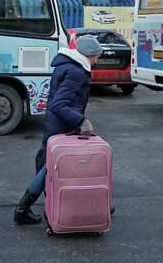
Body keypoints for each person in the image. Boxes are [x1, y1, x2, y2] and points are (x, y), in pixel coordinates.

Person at [13, 34, 103, 225]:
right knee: (50, 168)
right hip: (62, 127)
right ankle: (23, 208)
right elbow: (59, 104)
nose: (98, 59)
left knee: (53, 166)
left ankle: (95, 203)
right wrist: (81, 120)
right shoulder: (77, 72)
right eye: (96, 55)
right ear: (88, 54)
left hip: (57, 125)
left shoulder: (66, 65)